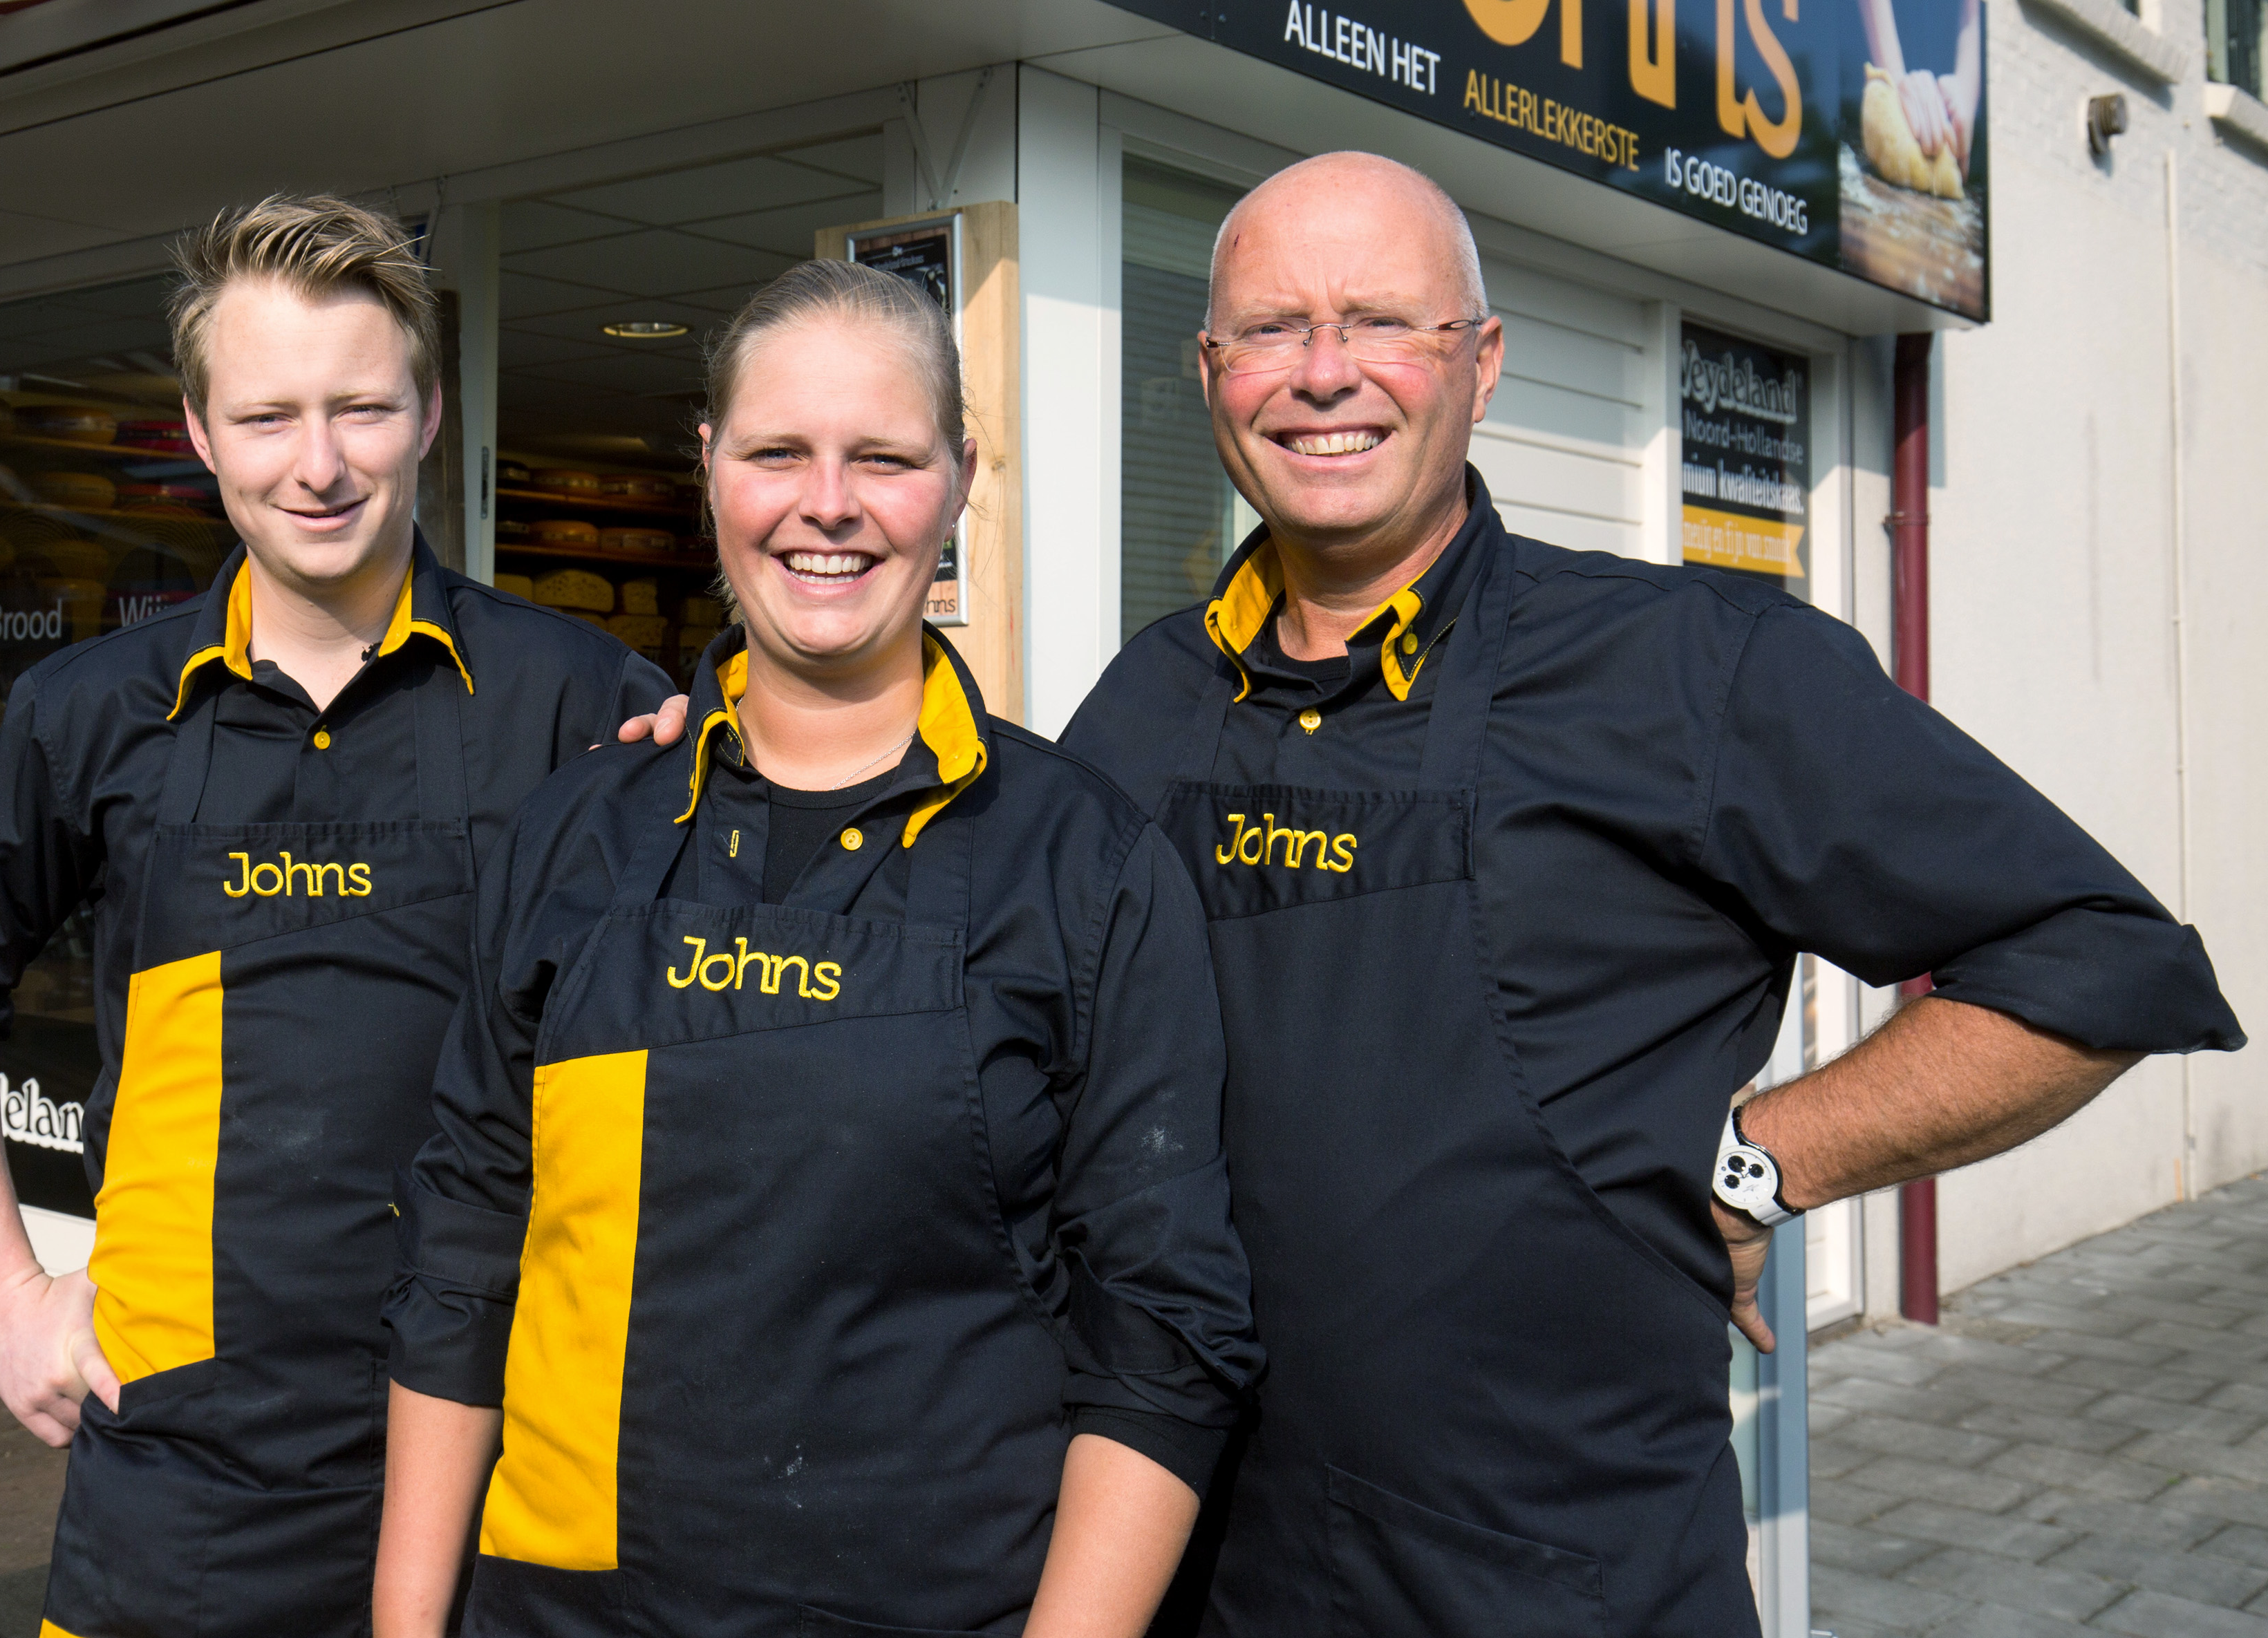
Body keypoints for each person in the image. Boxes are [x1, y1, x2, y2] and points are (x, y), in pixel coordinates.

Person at [1060, 152, 2244, 1637]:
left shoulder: (1694, 667)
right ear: (1208, 370)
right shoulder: (1141, 701)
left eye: (1380, 321)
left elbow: (2094, 960)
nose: (1321, 374)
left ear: (1478, 364)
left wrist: (1764, 1154)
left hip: (1552, 1572)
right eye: (1269, 330)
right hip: (1197, 1566)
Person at [375, 260, 1262, 1638]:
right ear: (709, 464)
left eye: (884, 457)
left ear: (960, 478)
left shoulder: (1079, 864)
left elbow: (1166, 1331)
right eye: (776, 450)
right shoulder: (574, 834)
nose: (826, 503)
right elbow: (465, 1251)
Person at [0, 195, 689, 1638]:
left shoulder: (581, 699)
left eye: (362, 408)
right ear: (198, 432)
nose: (318, 465)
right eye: (268, 417)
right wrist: (4, 1297)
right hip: (182, 1486)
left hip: (509, 1455)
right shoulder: (92, 712)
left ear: (429, 414)